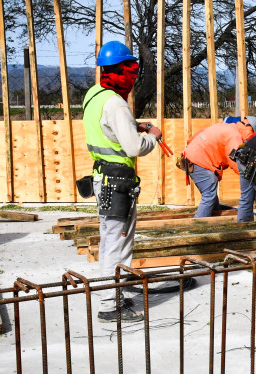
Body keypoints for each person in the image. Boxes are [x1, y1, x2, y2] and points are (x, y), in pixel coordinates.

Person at [82, 41, 161, 322]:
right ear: (123, 70)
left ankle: (115, 293)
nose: (132, 78)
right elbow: (134, 148)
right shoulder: (116, 103)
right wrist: (153, 135)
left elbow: (109, 130)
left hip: (102, 178)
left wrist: (131, 124)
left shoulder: (95, 96)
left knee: (108, 240)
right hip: (118, 182)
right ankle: (110, 305)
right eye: (130, 71)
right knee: (119, 242)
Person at [181, 118, 256, 218]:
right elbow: (235, 160)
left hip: (191, 156)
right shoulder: (234, 135)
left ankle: (214, 221)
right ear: (251, 130)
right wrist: (249, 174)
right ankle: (198, 226)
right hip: (198, 160)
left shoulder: (226, 126)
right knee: (209, 195)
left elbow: (196, 136)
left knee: (211, 196)